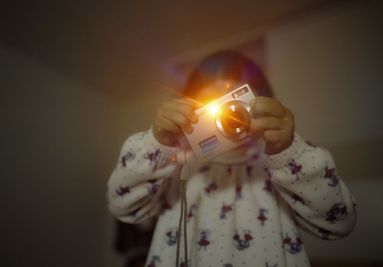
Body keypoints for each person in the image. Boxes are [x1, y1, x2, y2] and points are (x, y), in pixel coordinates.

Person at [107, 51, 357, 267]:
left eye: (233, 101)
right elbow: (122, 205)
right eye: (212, 105)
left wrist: (288, 151)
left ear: (260, 105)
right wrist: (158, 142)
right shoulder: (177, 166)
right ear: (192, 112)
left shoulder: (282, 168)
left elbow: (339, 222)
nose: (228, 117)